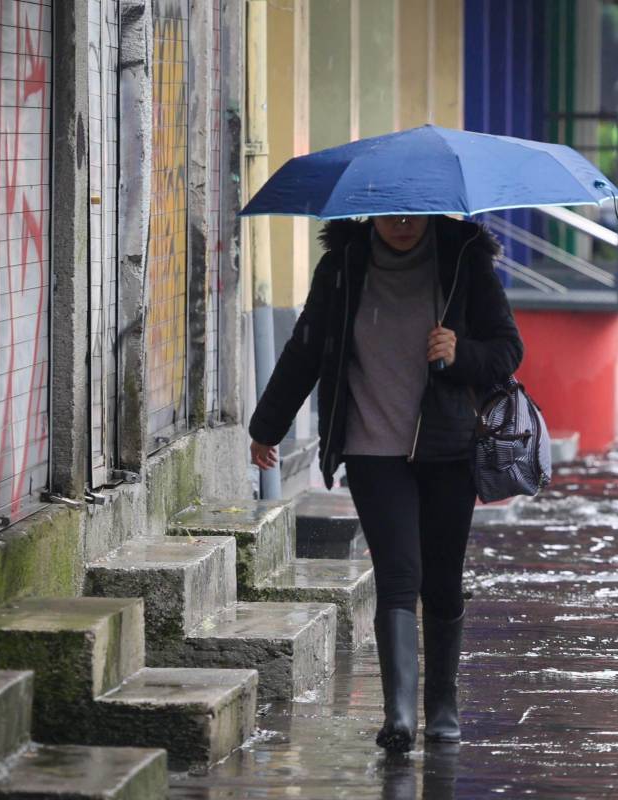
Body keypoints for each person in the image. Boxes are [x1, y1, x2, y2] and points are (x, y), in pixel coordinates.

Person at [248, 214, 523, 753]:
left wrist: (460, 351)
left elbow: (508, 350)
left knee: (441, 580)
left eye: (411, 214)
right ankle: (399, 716)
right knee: (399, 573)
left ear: (429, 213)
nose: (400, 224)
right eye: (389, 214)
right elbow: (307, 348)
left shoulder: (464, 260)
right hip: (371, 447)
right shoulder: (343, 266)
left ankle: (442, 706)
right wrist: (267, 426)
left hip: (448, 447)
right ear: (370, 213)